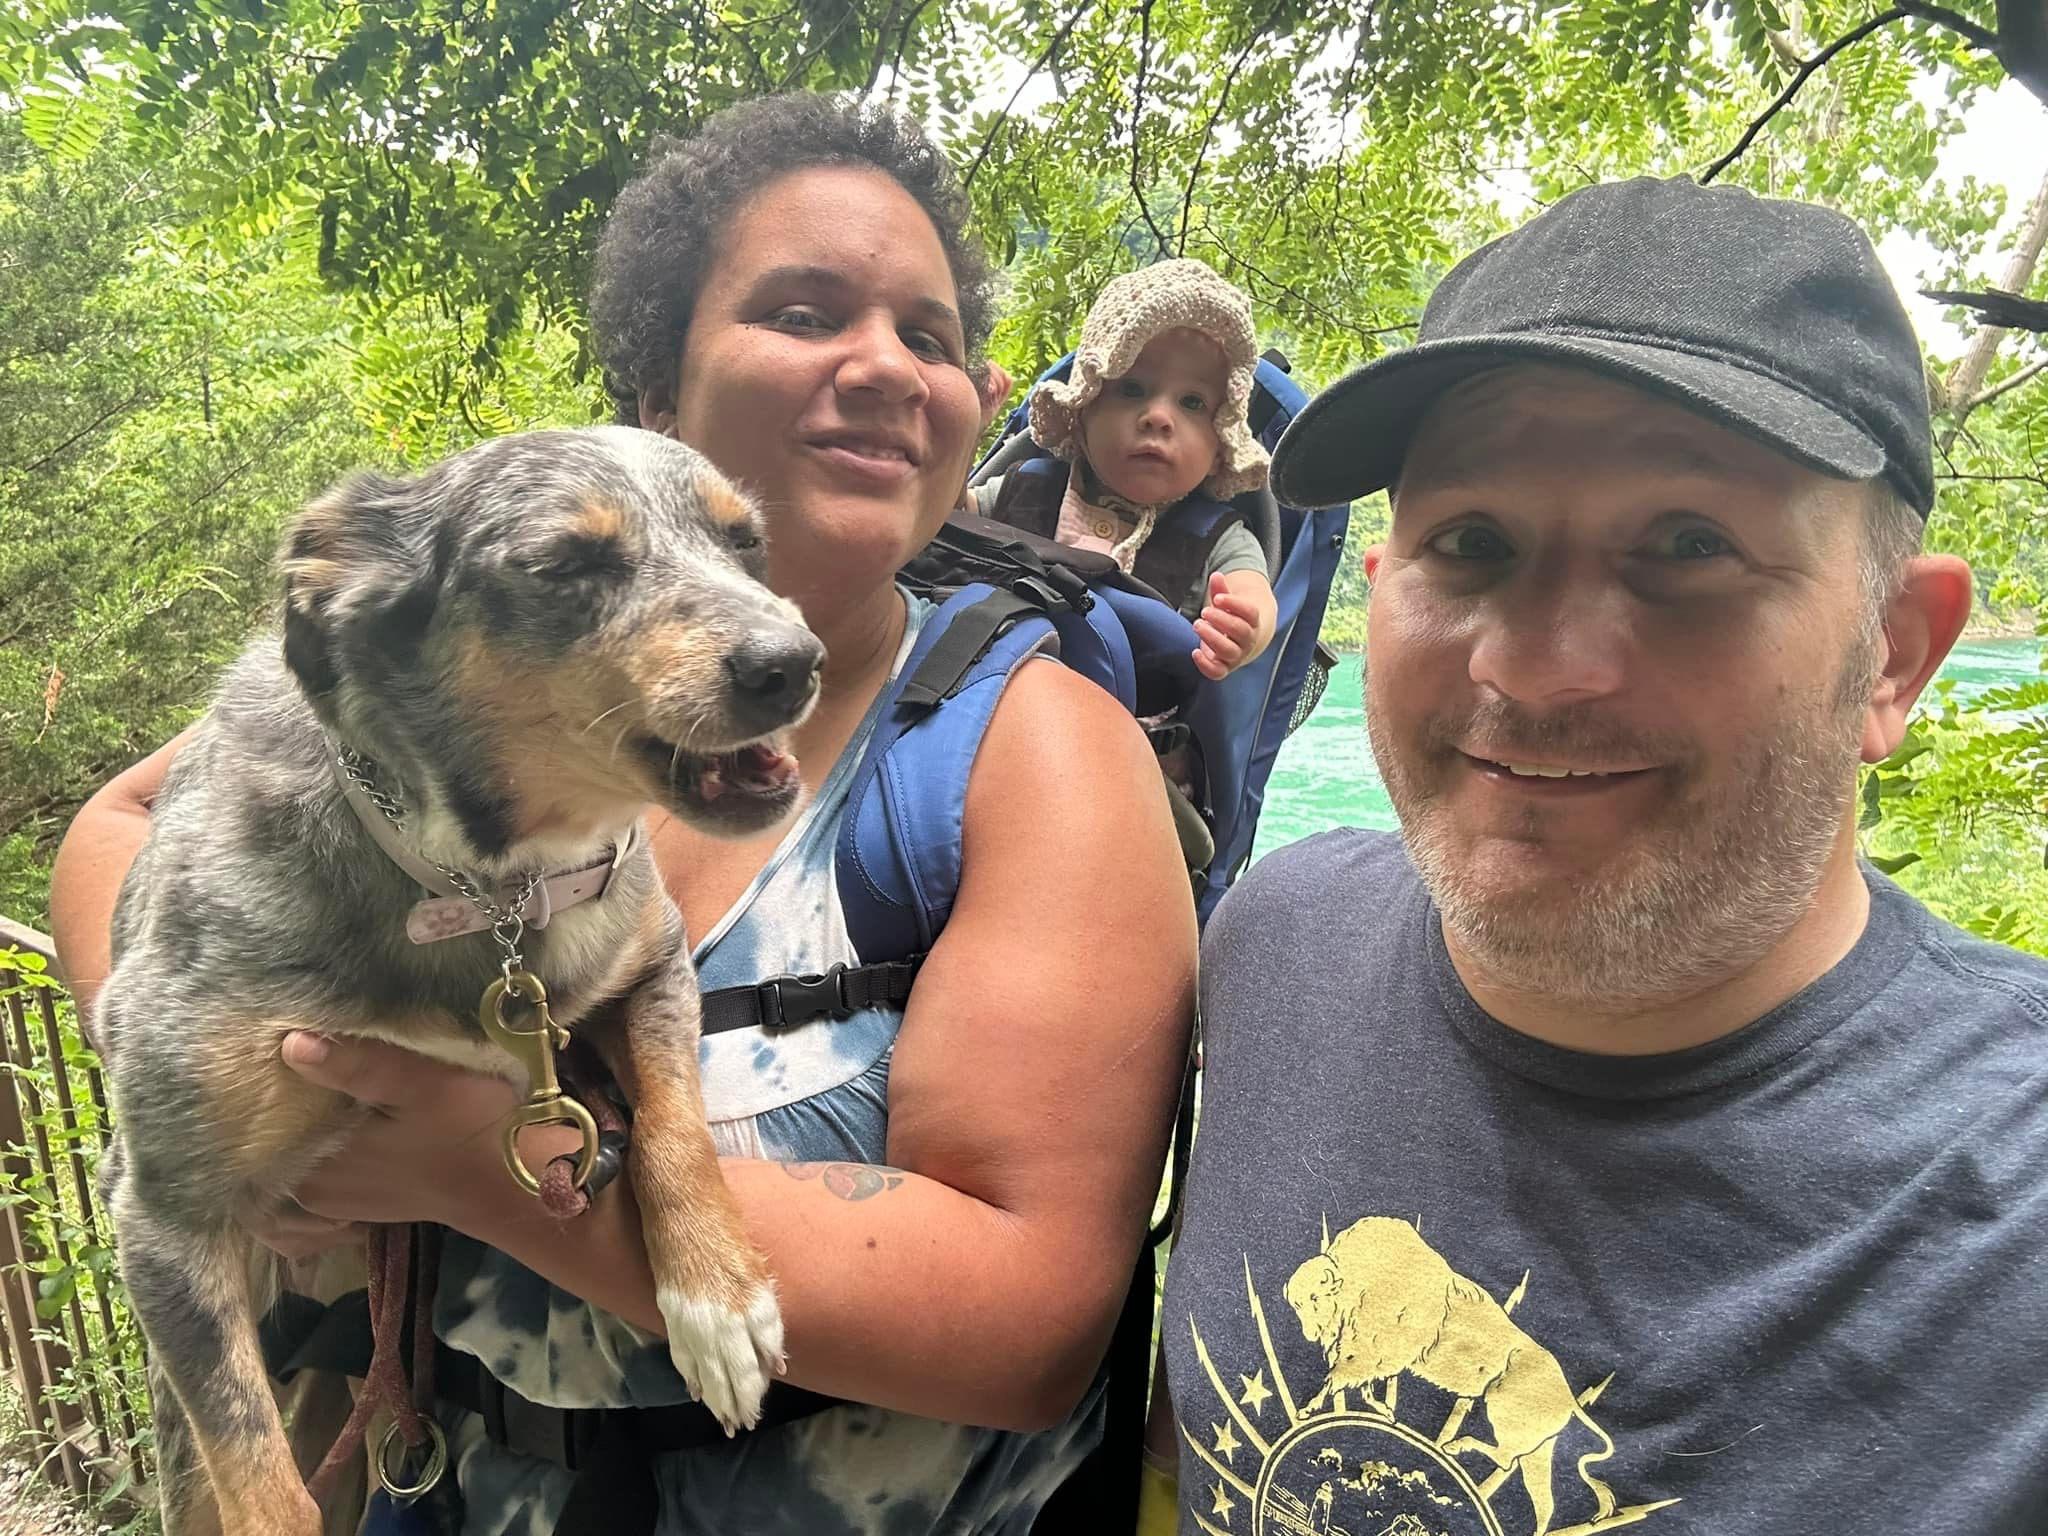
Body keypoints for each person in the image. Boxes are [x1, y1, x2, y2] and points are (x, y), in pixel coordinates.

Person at [49, 92, 1197, 1535]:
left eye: (932, 335)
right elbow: (120, 827)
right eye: (803, 308)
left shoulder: (1032, 749)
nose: (888, 367)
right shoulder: (425, 686)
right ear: (653, 397)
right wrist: (212, 1109)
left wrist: (484, 1169)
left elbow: (1026, 1334)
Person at [1155, 175, 2048, 1535]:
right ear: (1385, 579)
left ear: (1897, 656)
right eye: (1475, 545)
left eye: (1687, 547)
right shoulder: (1276, 943)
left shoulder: (2009, 1200)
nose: (1539, 667)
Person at [968, 257, 1278, 681]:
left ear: (1220, 444)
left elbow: (1254, 593)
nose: (1157, 417)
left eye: (1192, 402)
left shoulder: (1219, 538)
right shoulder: (1026, 490)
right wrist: (962, 434)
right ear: (1083, 412)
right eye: (1131, 389)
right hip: (988, 696)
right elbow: (943, 514)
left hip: (1133, 732)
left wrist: (1245, 628)